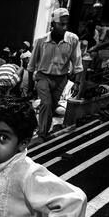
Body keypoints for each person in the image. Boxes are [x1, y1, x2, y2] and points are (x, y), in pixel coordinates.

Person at [27, 8, 83, 145]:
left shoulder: (72, 39)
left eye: (66, 24)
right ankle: (42, 134)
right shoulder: (41, 40)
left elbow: (78, 63)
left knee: (51, 107)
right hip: (43, 76)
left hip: (61, 79)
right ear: (53, 23)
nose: (64, 27)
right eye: (61, 24)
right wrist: (29, 87)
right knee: (45, 103)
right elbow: (31, 65)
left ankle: (44, 130)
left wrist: (77, 83)